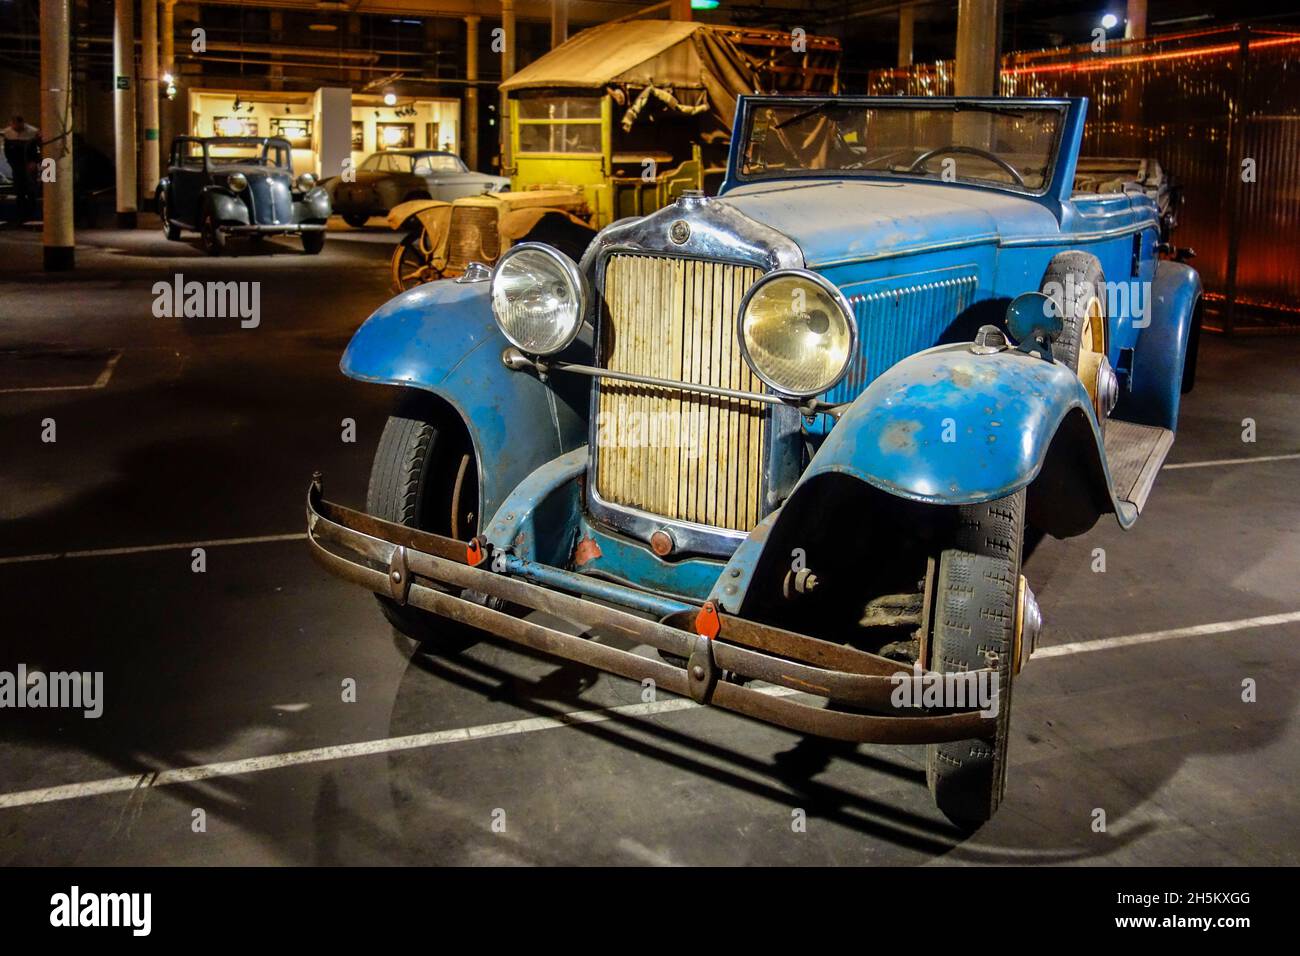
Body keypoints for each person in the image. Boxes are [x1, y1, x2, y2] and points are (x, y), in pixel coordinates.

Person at [3, 114, 41, 224]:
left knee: (31, 190)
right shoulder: (8, 133)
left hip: (29, 164)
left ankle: (31, 215)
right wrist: (11, 162)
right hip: (16, 164)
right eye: (14, 127)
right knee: (19, 191)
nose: (16, 130)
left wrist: (34, 161)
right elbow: (7, 150)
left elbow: (38, 148)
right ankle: (21, 217)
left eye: (18, 127)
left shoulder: (33, 132)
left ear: (22, 124)